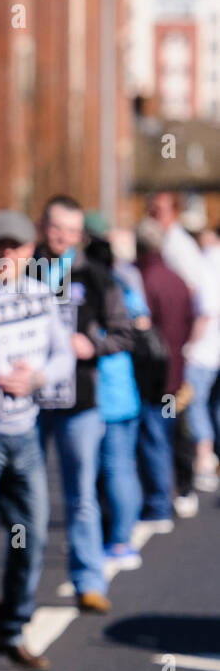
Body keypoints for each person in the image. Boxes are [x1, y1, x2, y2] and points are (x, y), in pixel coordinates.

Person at [0, 210, 74, 671]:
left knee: (29, 539)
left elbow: (63, 356)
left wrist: (36, 377)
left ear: (30, 252)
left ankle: (11, 629)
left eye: (16, 248)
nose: (7, 257)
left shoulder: (40, 294)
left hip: (25, 434)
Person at [31, 195, 133, 613]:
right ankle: (24, 592)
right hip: (28, 403)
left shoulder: (97, 278)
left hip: (81, 403)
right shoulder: (19, 268)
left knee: (83, 497)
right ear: (42, 226)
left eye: (72, 231)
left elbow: (125, 333)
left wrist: (91, 344)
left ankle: (90, 582)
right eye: (57, 228)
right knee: (28, 504)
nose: (63, 238)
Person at [148, 192, 220, 502]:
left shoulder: (179, 246)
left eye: (160, 210)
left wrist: (185, 343)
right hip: (200, 346)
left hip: (197, 348)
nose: (155, 215)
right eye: (153, 210)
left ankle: (197, 468)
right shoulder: (178, 244)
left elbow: (197, 299)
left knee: (189, 407)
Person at [86, 230, 146, 573]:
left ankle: (120, 540)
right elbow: (141, 321)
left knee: (112, 469)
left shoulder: (99, 289)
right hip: (126, 389)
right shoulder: (125, 285)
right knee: (122, 465)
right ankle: (121, 534)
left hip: (105, 392)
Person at [135, 218, 197, 534]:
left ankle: (159, 503)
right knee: (173, 434)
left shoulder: (145, 280)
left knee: (155, 440)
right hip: (175, 376)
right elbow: (190, 321)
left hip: (154, 379)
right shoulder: (175, 278)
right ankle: (181, 491)